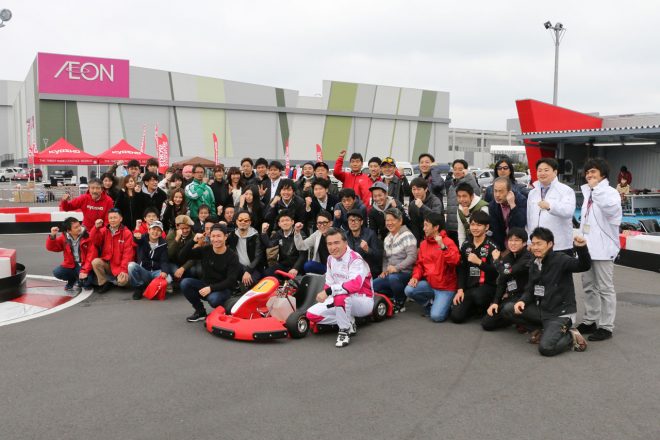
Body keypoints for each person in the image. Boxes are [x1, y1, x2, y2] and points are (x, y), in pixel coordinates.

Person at [513, 227, 591, 356]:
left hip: (560, 313)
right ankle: (546, 331)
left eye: (539, 244)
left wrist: (581, 248)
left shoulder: (561, 259)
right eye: (533, 244)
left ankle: (570, 336)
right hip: (543, 310)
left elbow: (583, 265)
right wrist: (522, 301)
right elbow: (530, 288)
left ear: (550, 244)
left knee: (546, 348)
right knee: (509, 309)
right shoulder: (534, 262)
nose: (535, 247)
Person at [576, 158, 622, 342]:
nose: (589, 175)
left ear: (602, 174)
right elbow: (586, 220)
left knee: (605, 289)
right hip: (587, 248)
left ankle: (606, 326)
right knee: (589, 287)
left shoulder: (610, 193)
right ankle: (590, 320)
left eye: (593, 171)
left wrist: (596, 190)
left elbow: (611, 211)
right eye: (587, 172)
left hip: (604, 249)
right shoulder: (588, 192)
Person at [306, 227, 375, 347]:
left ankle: (344, 330)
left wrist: (329, 291)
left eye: (336, 243)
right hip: (340, 298)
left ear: (345, 243)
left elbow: (354, 285)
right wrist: (326, 295)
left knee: (340, 296)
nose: (333, 247)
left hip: (363, 300)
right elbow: (329, 283)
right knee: (311, 314)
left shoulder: (355, 259)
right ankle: (349, 321)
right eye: (329, 244)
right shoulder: (330, 259)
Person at [179, 224, 242, 322]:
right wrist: (193, 241)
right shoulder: (206, 250)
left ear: (225, 237)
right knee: (185, 283)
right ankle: (200, 312)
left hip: (223, 289)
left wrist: (211, 288)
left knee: (214, 299)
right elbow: (182, 256)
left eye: (219, 236)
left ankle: (226, 310)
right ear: (210, 237)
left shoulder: (232, 256)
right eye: (213, 236)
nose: (216, 239)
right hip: (206, 285)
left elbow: (231, 280)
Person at [405, 212, 460, 322]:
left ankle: (446, 304)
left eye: (426, 225)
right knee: (409, 290)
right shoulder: (423, 244)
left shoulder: (448, 242)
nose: (423, 228)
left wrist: (443, 247)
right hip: (430, 284)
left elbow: (455, 261)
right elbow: (419, 265)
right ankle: (430, 304)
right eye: (423, 225)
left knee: (436, 317)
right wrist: (415, 277)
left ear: (436, 227)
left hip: (446, 288)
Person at [450, 211, 498, 324]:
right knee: (456, 317)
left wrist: (479, 262)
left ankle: (484, 307)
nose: (475, 228)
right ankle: (474, 310)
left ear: (487, 227)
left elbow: (496, 272)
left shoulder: (492, 246)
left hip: (487, 287)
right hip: (470, 288)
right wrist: (460, 290)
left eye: (479, 225)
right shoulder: (466, 244)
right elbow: (462, 269)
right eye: (472, 224)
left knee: (478, 295)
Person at [481, 227, 532, 331]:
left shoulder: (528, 257)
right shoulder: (508, 257)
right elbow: (502, 281)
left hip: (525, 297)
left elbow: (507, 272)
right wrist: (495, 302)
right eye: (510, 240)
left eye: (516, 240)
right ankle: (513, 319)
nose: (513, 243)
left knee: (507, 308)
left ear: (524, 243)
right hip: (512, 296)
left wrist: (496, 261)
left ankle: (527, 323)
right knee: (487, 323)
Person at [526, 158, 576, 254]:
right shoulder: (532, 192)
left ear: (555, 172)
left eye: (546, 170)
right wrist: (529, 241)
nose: (542, 173)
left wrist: (550, 206)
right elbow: (529, 219)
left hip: (559, 245)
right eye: (539, 170)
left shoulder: (566, 190)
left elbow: (568, 211)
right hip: (537, 246)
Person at [373, 208, 418, 313]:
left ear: (400, 221)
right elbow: (385, 258)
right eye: (387, 220)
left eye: (392, 220)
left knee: (393, 278)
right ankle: (393, 296)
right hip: (391, 273)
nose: (389, 223)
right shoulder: (387, 238)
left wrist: (396, 268)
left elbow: (412, 257)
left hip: (405, 273)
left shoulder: (407, 235)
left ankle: (400, 302)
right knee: (373, 285)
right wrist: (384, 270)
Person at [90, 208, 135, 293]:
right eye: (110, 218)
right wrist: (95, 228)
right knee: (95, 262)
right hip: (108, 264)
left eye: (115, 217)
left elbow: (127, 254)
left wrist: (123, 270)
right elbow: (95, 241)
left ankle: (113, 280)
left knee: (122, 283)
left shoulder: (127, 233)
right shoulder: (104, 230)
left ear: (121, 219)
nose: (112, 220)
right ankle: (104, 283)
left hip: (120, 266)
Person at [46, 217, 97, 293]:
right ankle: (72, 279)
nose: (79, 228)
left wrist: (85, 271)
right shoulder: (64, 237)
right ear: (69, 231)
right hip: (71, 264)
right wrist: (52, 236)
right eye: (76, 227)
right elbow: (52, 248)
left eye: (79, 226)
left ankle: (81, 279)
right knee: (57, 272)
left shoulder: (88, 236)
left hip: (84, 265)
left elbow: (91, 255)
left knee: (86, 283)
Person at [128, 221, 171, 300]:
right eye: (153, 229)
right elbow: (136, 239)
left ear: (161, 233)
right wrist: (136, 233)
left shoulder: (163, 243)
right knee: (131, 266)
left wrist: (164, 271)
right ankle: (139, 287)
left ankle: (152, 286)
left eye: (158, 230)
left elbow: (164, 260)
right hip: (144, 271)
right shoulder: (143, 238)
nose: (155, 232)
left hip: (156, 271)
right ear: (148, 230)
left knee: (169, 278)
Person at [227, 210, 264, 293]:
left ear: (250, 222)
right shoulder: (232, 235)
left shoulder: (256, 236)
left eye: (246, 220)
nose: (243, 222)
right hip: (238, 266)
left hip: (253, 268)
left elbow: (258, 257)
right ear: (236, 221)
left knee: (250, 281)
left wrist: (248, 271)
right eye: (240, 220)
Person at [445, 159, 481, 245]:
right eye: (455, 169)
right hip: (451, 227)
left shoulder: (468, 183)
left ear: (465, 170)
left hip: (463, 225)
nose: (457, 171)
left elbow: (477, 192)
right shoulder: (451, 186)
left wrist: (469, 176)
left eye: (460, 169)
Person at [260, 211, 306, 278]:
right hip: (282, 265)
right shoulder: (278, 233)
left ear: (292, 222)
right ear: (279, 224)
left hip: (296, 267)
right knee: (266, 274)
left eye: (287, 220)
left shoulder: (299, 233)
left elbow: (303, 254)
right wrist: (264, 232)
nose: (285, 223)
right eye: (282, 221)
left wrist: (295, 268)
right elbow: (269, 244)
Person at [487, 177, 527, 250]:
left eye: (501, 191)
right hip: (502, 244)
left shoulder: (521, 200)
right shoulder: (493, 205)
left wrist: (513, 205)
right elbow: (496, 229)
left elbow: (521, 224)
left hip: (519, 243)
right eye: (495, 191)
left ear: (509, 191)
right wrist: (501, 249)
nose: (497, 195)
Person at [345, 209, 383, 277]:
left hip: (368, 272)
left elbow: (379, 257)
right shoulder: (345, 236)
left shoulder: (370, 234)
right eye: (350, 220)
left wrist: (368, 250)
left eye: (356, 220)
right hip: (351, 271)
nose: (353, 223)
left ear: (361, 222)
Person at [408, 177, 444, 243]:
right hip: (422, 238)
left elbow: (436, 218)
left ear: (426, 189)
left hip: (437, 236)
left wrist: (422, 207)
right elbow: (414, 225)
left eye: (419, 189)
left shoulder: (435, 200)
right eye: (414, 189)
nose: (416, 192)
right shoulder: (412, 204)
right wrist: (417, 244)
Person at [166, 215, 197, 280]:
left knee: (193, 271)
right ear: (177, 226)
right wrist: (177, 239)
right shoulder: (171, 236)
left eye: (187, 228)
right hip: (173, 262)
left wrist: (183, 268)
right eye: (182, 228)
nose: (185, 231)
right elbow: (169, 254)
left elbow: (194, 257)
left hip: (187, 262)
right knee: (175, 272)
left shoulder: (194, 236)